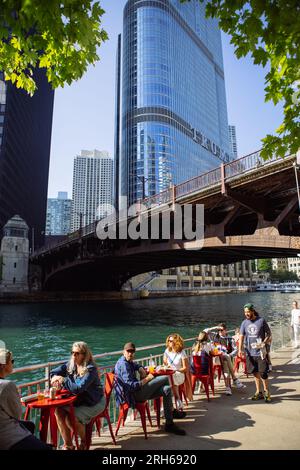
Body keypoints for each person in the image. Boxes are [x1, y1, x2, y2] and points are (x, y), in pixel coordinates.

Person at [114, 341, 186, 436]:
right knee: (164, 378)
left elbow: (135, 365)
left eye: (132, 352)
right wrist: (147, 379)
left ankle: (169, 423)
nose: (130, 354)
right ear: (124, 352)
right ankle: (172, 411)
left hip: (137, 392)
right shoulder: (124, 365)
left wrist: (140, 368)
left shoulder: (127, 361)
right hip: (133, 396)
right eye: (128, 351)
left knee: (167, 389)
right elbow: (131, 386)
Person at [50, 341, 105, 450]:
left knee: (71, 418)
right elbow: (53, 372)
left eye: (77, 353)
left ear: (84, 355)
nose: (73, 355)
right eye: (72, 352)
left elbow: (79, 388)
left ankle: (85, 441)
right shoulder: (71, 364)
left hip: (94, 402)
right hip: (80, 401)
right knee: (58, 411)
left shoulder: (91, 369)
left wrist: (64, 379)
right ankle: (69, 445)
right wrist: (55, 378)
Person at [0, 348, 51, 450]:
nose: (13, 364)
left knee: (30, 425)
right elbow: (17, 415)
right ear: (4, 365)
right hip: (6, 435)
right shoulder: (7, 385)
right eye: (12, 361)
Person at [239, 303, 272, 402]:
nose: (246, 314)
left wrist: (264, 342)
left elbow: (269, 333)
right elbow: (241, 336)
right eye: (245, 312)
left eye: (248, 312)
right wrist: (240, 349)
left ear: (252, 311)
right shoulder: (244, 323)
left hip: (260, 352)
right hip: (250, 352)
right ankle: (259, 392)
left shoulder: (261, 320)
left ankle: (267, 392)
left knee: (263, 373)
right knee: (254, 372)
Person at [204, 323, 246, 395]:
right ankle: (234, 379)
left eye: (221, 330)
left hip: (225, 359)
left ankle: (228, 388)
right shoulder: (214, 336)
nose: (219, 331)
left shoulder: (230, 338)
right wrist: (215, 327)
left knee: (226, 361)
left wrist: (230, 355)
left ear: (225, 330)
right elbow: (205, 331)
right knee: (227, 359)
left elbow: (235, 350)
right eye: (218, 330)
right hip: (216, 359)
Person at [163, 334, 189, 410]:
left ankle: (175, 401)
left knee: (171, 379)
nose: (169, 342)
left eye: (171, 341)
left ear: (176, 342)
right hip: (169, 373)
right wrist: (165, 365)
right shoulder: (167, 351)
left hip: (179, 374)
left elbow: (185, 368)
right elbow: (164, 363)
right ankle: (173, 403)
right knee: (164, 380)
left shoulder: (182, 352)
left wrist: (176, 370)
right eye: (168, 341)